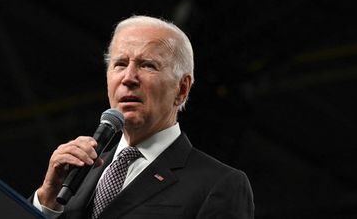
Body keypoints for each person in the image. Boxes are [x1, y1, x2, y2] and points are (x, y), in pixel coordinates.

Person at [32, 15, 254, 219]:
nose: (128, 78)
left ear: (182, 89)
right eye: (119, 64)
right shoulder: (77, 174)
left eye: (147, 65)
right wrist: (47, 200)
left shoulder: (219, 184)